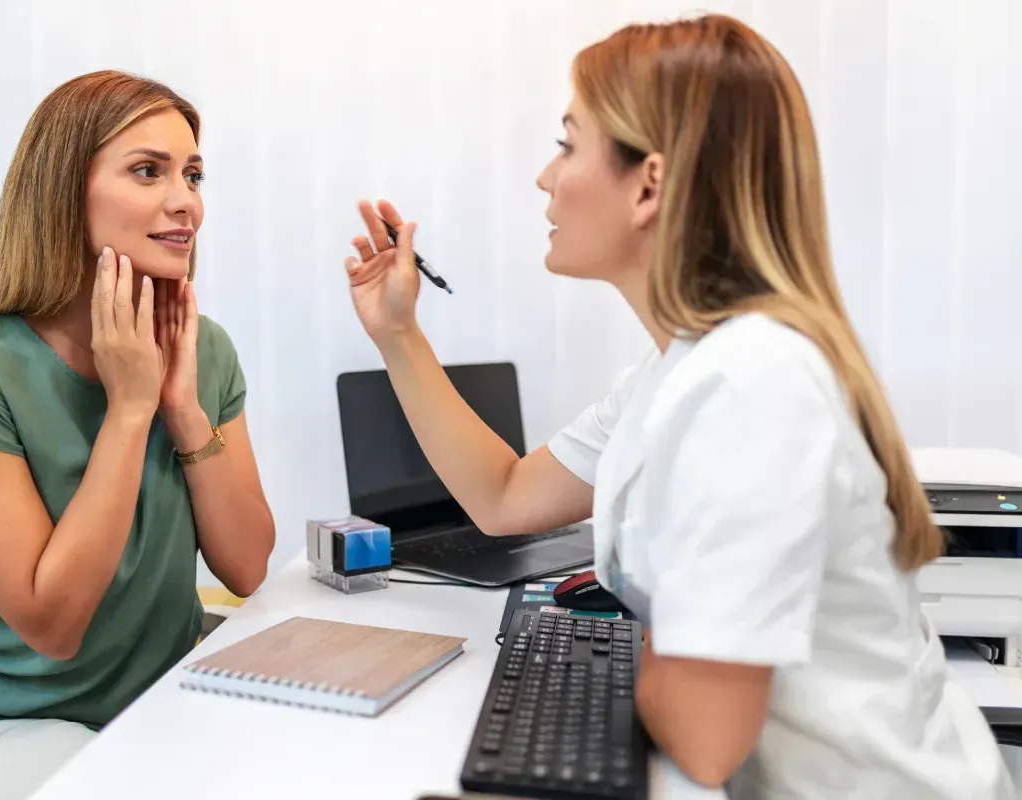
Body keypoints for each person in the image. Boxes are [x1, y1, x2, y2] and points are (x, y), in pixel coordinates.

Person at [343, 14, 1013, 799]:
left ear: (650, 184)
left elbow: (704, 736)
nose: (545, 178)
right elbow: (505, 496)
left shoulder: (752, 386)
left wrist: (652, 626)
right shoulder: (684, 367)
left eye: (567, 143)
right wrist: (398, 334)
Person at [0, 71, 275, 800]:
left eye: (193, 174)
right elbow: (52, 626)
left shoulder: (201, 348)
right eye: (148, 171)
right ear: (63, 193)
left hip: (151, 715)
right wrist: (130, 409)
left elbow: (248, 567)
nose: (186, 199)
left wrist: (182, 409)